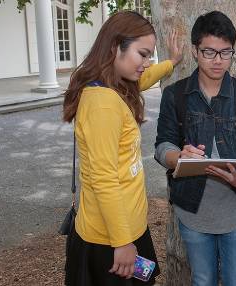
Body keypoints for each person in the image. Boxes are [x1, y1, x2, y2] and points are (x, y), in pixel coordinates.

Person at [62, 11, 183, 285]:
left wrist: (171, 63)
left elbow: (143, 78)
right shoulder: (103, 104)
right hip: (111, 239)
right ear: (116, 46)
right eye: (142, 54)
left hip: (125, 229)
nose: (146, 62)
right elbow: (105, 179)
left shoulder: (114, 86)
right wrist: (123, 242)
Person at [154, 11, 236, 286]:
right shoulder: (175, 95)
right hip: (193, 212)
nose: (218, 61)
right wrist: (177, 156)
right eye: (209, 52)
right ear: (194, 51)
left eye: (225, 53)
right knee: (202, 280)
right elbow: (162, 145)